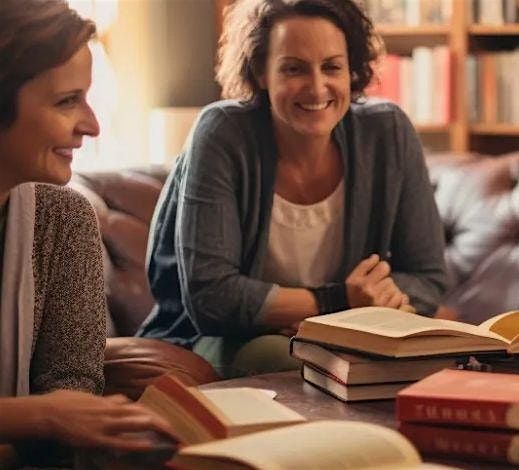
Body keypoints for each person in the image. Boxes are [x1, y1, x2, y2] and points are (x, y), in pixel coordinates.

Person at [137, 0, 448, 377]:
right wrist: (340, 301)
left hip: (348, 339)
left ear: (351, 70)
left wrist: (345, 316)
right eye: (293, 69)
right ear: (261, 72)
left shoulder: (388, 133)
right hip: (222, 338)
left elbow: (428, 277)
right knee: (290, 360)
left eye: (332, 66)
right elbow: (212, 298)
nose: (317, 87)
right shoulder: (221, 133)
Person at [0, 0, 175, 459]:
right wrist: (42, 416)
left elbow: (73, 393)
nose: (92, 126)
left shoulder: (64, 222)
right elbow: (59, 413)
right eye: (67, 101)